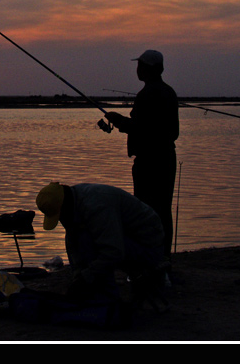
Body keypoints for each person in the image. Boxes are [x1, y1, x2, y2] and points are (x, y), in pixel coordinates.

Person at [35, 181, 168, 302]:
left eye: (60, 216)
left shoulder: (96, 206)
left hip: (148, 247)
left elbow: (114, 252)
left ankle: (108, 299)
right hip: (127, 239)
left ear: (65, 207)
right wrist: (77, 275)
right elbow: (72, 240)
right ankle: (99, 294)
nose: (61, 221)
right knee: (84, 240)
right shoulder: (75, 199)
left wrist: (86, 277)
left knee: (89, 243)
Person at [104, 49, 179, 259]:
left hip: (149, 162)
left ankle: (150, 259)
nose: (137, 69)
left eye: (140, 65)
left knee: (146, 211)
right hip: (166, 158)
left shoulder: (147, 94)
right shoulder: (168, 92)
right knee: (163, 211)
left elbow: (141, 128)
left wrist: (118, 120)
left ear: (149, 69)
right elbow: (170, 131)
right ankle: (162, 258)